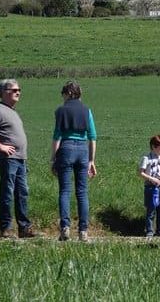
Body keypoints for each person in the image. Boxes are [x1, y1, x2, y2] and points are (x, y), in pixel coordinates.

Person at [0, 78, 34, 239]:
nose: (18, 92)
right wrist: (0, 146)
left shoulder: (12, 111)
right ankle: (6, 228)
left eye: (19, 90)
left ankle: (24, 227)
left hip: (19, 158)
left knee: (22, 193)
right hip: (8, 159)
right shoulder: (0, 110)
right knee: (8, 192)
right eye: (14, 90)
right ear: (4, 93)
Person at [51, 81, 97, 242]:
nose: (62, 97)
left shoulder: (60, 111)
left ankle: (65, 229)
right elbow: (92, 137)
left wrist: (53, 158)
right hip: (83, 150)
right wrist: (91, 160)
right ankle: (83, 231)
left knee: (64, 191)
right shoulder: (87, 111)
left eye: (63, 94)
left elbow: (57, 136)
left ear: (68, 93)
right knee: (82, 192)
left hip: (66, 147)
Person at [139, 135, 160, 238]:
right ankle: (149, 231)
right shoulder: (146, 158)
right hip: (150, 187)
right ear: (153, 147)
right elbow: (141, 173)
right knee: (150, 210)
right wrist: (152, 179)